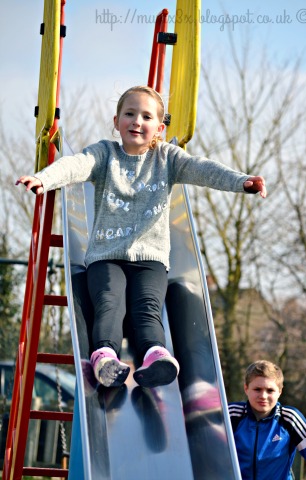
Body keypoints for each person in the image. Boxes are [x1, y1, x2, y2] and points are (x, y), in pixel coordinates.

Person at [16, 85, 267, 389]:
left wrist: (242, 182)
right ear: (116, 120)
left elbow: (203, 169)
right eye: (130, 114)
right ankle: (106, 356)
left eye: (146, 116)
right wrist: (44, 178)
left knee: (147, 306)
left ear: (159, 128)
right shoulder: (104, 154)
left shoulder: (167, 159)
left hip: (151, 258)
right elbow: (76, 165)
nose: (137, 121)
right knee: (110, 301)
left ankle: (154, 356)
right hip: (106, 256)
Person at [228, 360, 306, 479]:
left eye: (270, 390)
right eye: (257, 389)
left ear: (280, 392)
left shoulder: (290, 418)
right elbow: (205, 450)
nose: (263, 396)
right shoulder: (231, 414)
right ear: (246, 388)